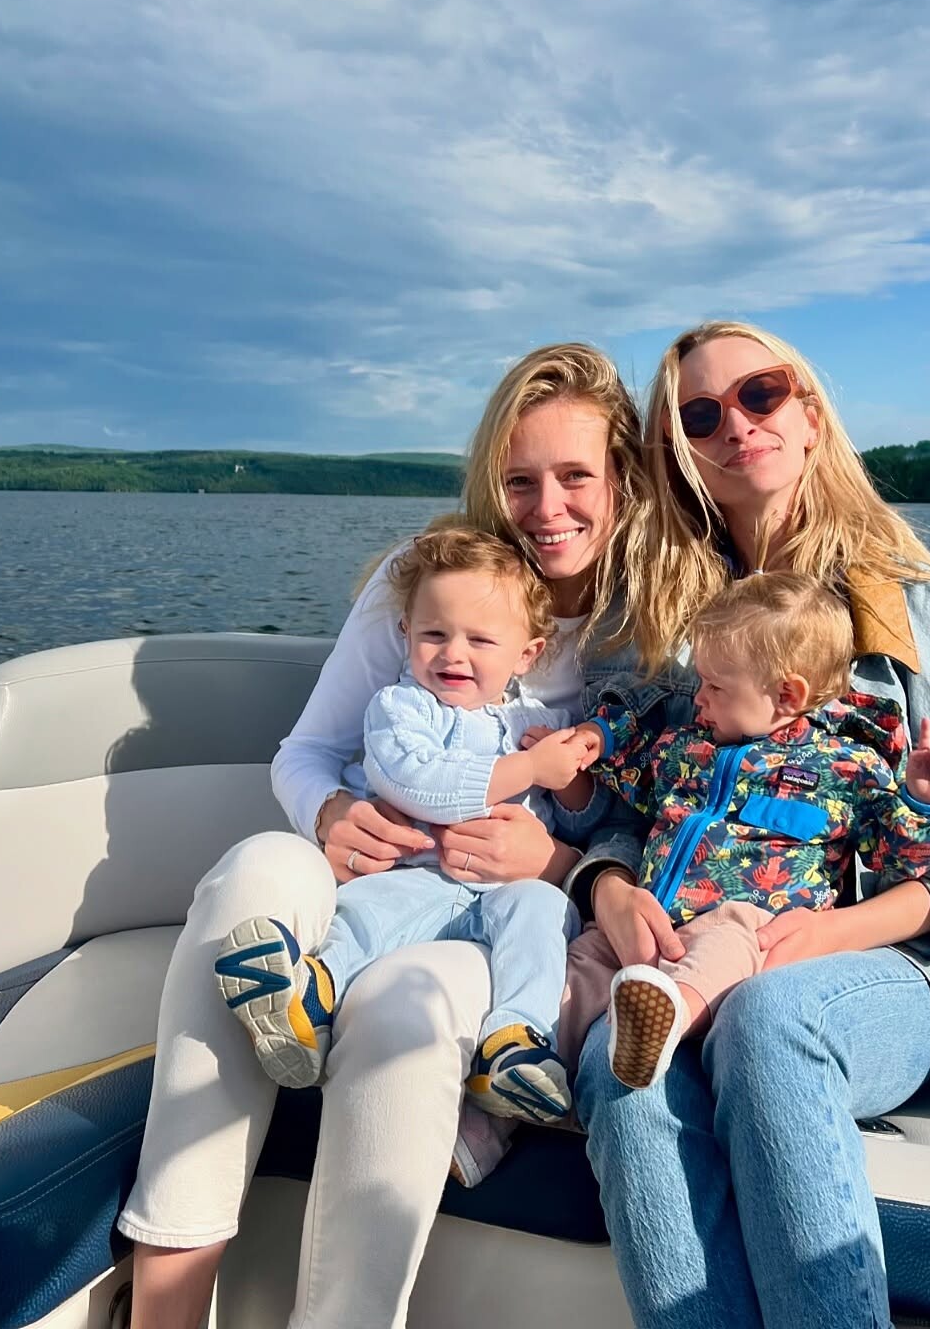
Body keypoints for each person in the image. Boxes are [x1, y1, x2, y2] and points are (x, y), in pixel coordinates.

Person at [570, 322, 930, 1329]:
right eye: (700, 415)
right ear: (681, 457)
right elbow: (629, 808)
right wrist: (608, 889)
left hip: (904, 967)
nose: (735, 423)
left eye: (761, 393)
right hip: (690, 948)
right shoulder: (666, 633)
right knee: (615, 1064)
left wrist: (829, 933)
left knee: (775, 1017)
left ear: (811, 415)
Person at [117, 343, 651, 1329]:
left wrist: (555, 861)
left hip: (498, 910)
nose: (547, 508)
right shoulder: (432, 582)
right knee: (252, 876)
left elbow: (652, 821)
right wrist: (331, 815)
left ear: (623, 477)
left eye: (577, 477)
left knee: (408, 1004)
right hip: (373, 867)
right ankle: (165, 1310)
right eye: (520, 480)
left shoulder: (651, 622)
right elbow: (308, 752)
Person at [213, 526, 591, 1122]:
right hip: (418, 869)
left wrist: (571, 784)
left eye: (480, 640)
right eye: (434, 635)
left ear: (527, 654)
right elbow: (412, 780)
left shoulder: (537, 722)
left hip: (505, 888)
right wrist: (528, 768)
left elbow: (585, 817)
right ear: (405, 635)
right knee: (374, 913)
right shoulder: (400, 707)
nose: (453, 654)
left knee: (544, 912)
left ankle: (516, 1042)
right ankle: (310, 997)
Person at [553, 571, 930, 1091]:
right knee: (579, 968)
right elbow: (637, 775)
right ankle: (532, 1077)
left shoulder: (845, 768)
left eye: (715, 686)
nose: (698, 698)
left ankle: (668, 1021)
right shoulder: (686, 748)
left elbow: (902, 858)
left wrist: (924, 802)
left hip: (750, 926)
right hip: (651, 920)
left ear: (787, 694)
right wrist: (600, 741)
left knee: (730, 941)